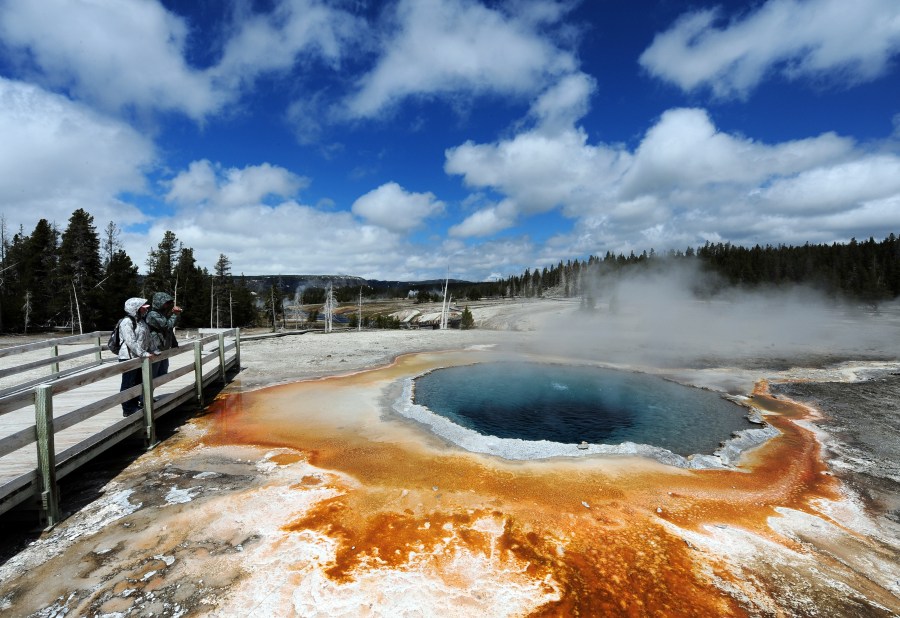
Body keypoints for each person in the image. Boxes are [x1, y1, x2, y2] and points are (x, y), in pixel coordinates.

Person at [118, 297, 158, 416]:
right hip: (129, 357)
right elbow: (131, 341)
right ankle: (128, 409)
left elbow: (148, 337)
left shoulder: (141, 321)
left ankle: (135, 405)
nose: (145, 310)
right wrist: (143, 353)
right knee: (128, 383)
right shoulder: (126, 322)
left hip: (140, 357)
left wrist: (154, 349)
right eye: (142, 308)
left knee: (138, 382)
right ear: (135, 309)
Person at [146, 292, 182, 379]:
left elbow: (169, 330)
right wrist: (175, 315)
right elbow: (167, 326)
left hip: (163, 349)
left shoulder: (162, 314)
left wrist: (174, 344)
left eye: (168, 303)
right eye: (165, 303)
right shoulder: (152, 314)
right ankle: (147, 393)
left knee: (162, 375)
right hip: (155, 350)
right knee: (152, 376)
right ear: (159, 302)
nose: (167, 305)